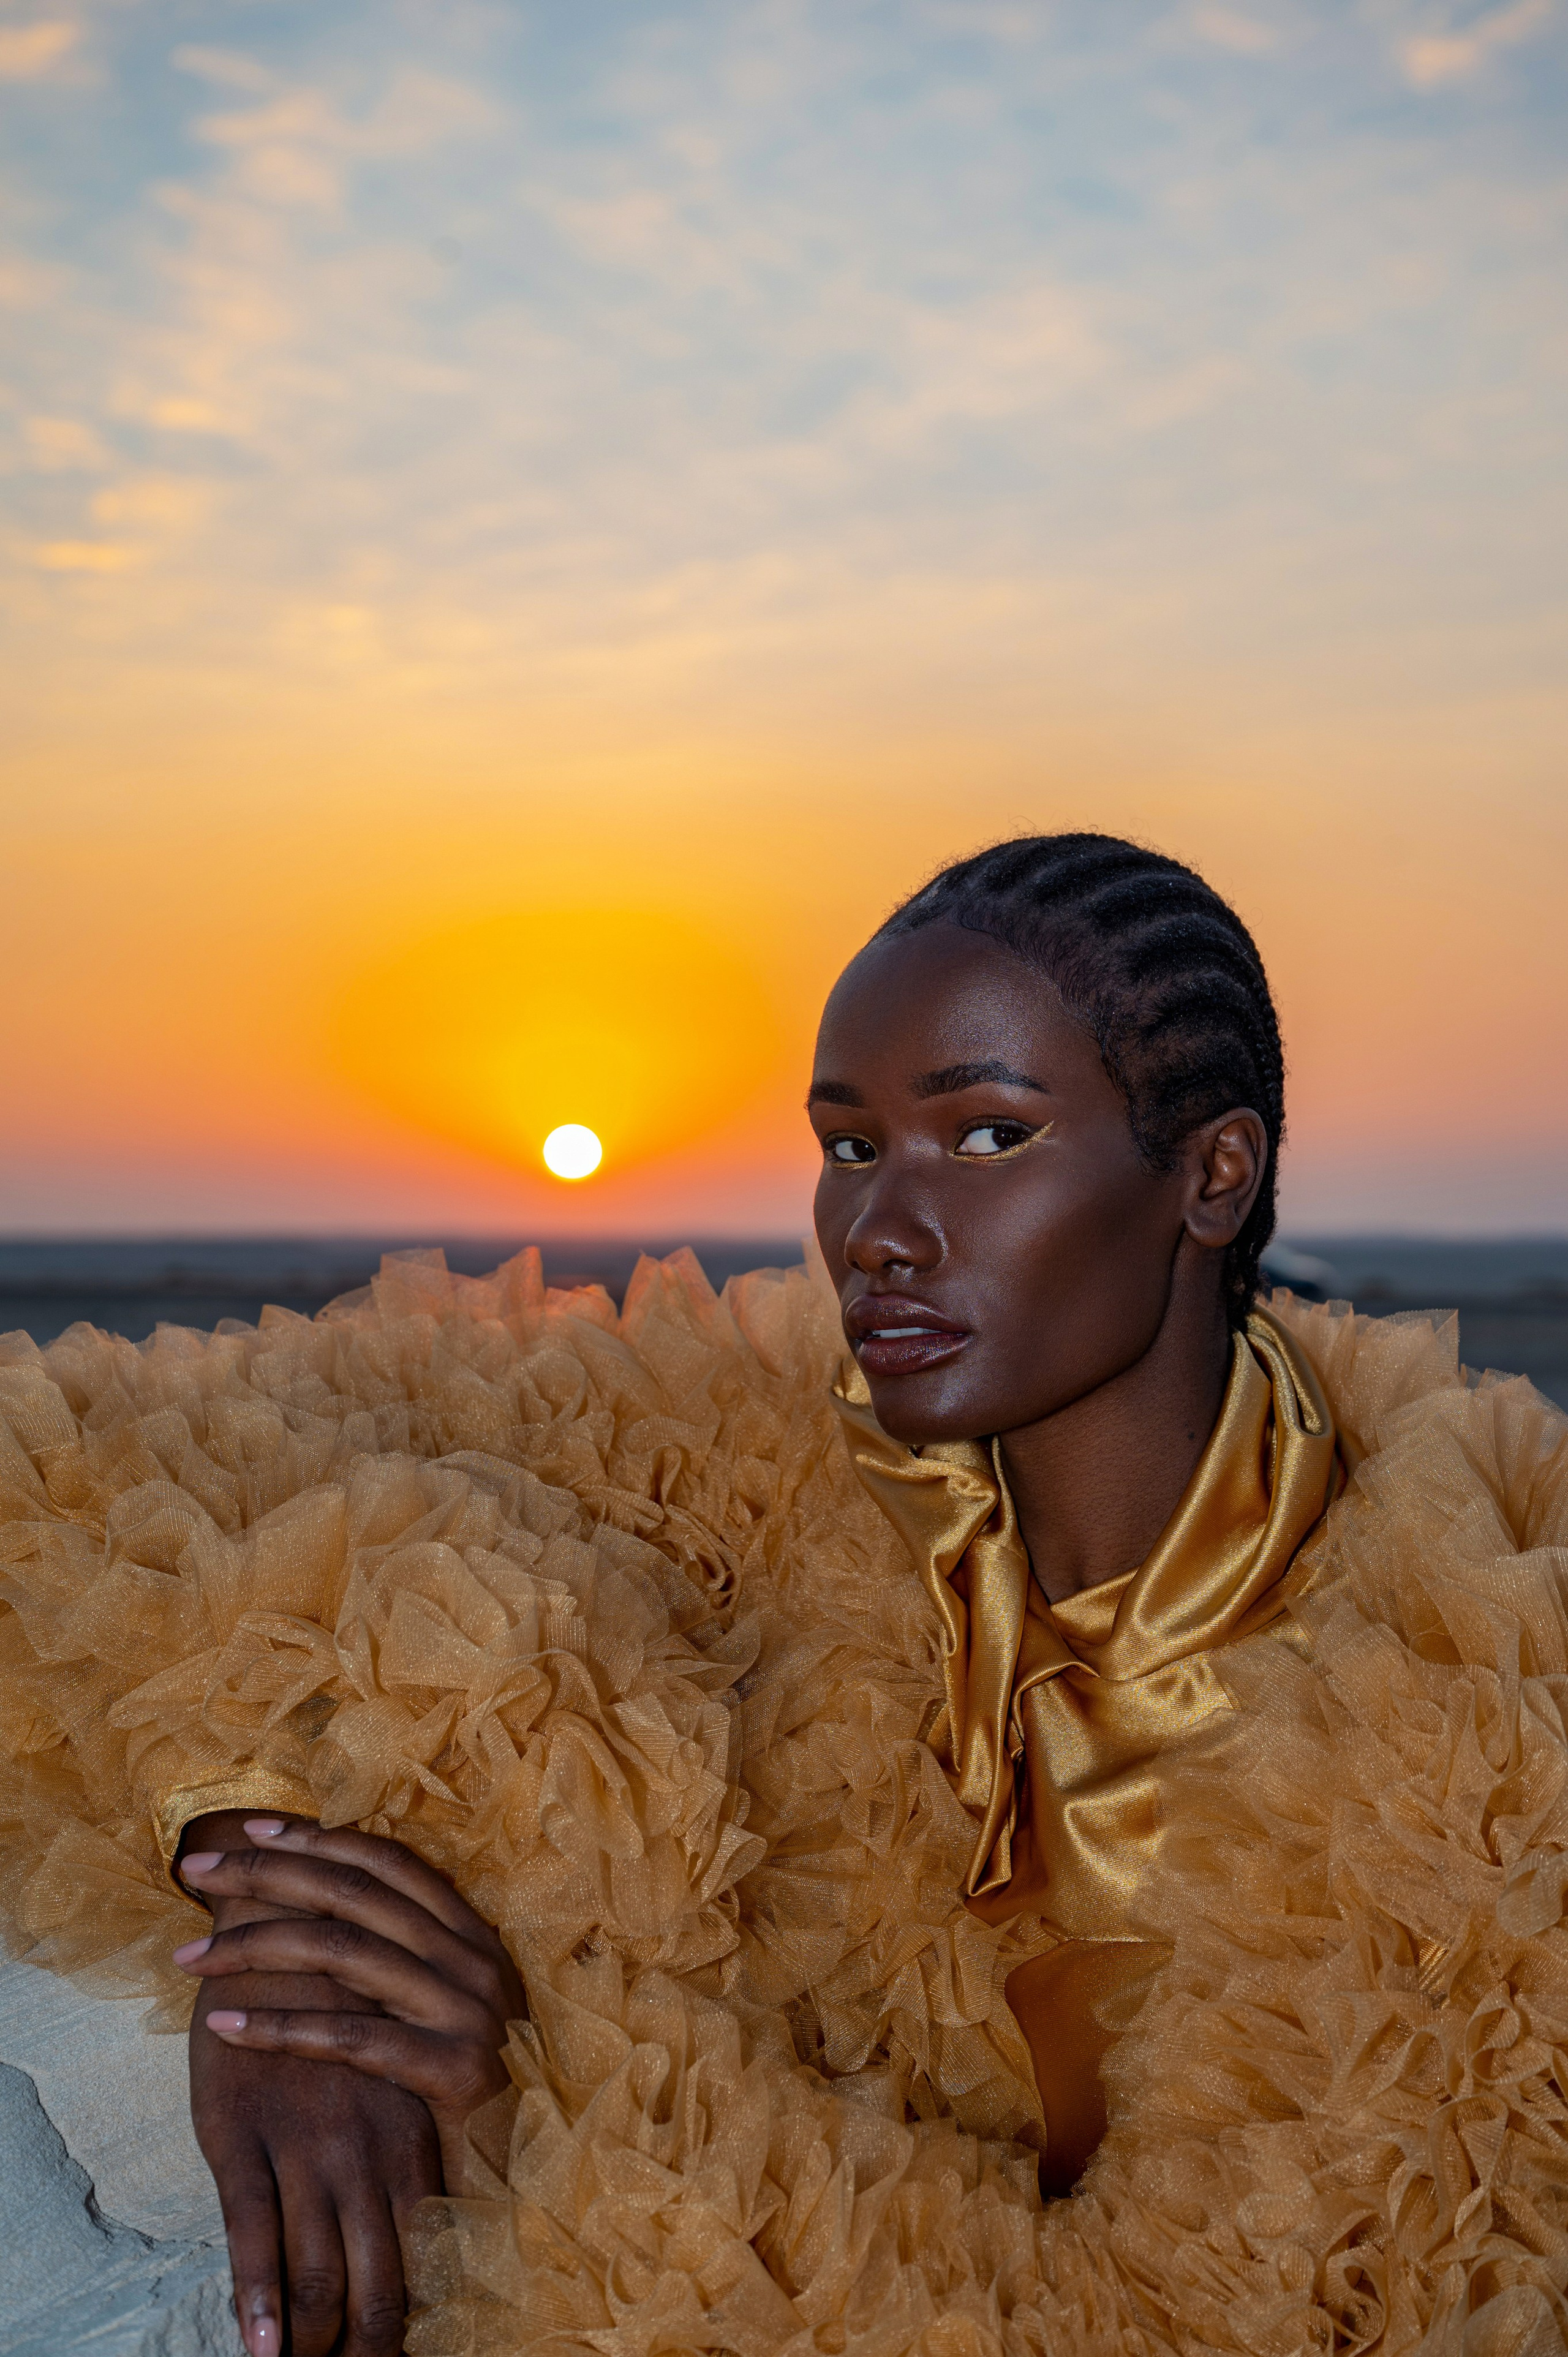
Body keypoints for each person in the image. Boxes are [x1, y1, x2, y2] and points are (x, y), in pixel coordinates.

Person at [2, 831, 1566, 2357]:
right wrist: (273, 1900)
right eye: (849, 1145)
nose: (878, 1232)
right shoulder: (803, 1456)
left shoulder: (1465, 1726)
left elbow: (1196, 2325)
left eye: (984, 1136)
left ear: (1210, 1177)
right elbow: (115, 1470)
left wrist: (539, 2101)